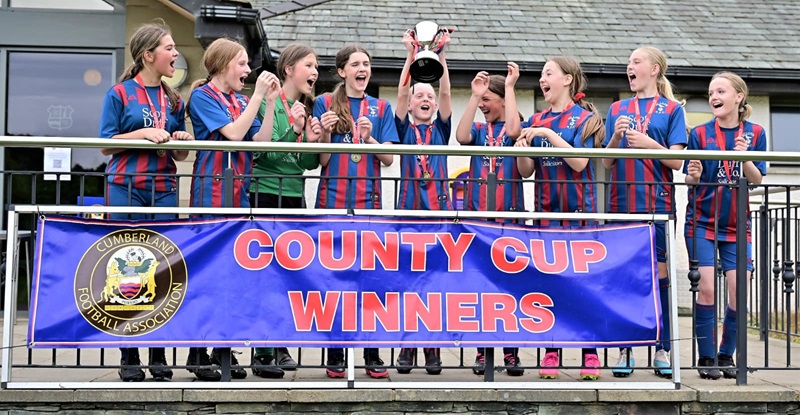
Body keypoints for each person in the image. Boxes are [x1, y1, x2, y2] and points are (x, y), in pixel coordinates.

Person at [98, 20, 193, 383]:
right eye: (169, 48)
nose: (175, 53)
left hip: (163, 187)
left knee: (161, 269)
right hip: (124, 186)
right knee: (126, 267)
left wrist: (181, 140)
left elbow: (180, 155)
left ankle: (158, 353)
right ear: (148, 55)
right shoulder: (119, 93)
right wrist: (142, 133)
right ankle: (129, 354)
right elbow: (105, 144)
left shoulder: (174, 98)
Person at [187, 37, 281, 381]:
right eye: (241, 63)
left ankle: (222, 350)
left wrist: (269, 102)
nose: (247, 70)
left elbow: (260, 142)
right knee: (208, 274)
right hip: (211, 194)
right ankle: (198, 353)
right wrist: (256, 97)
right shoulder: (203, 96)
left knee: (232, 275)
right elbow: (234, 134)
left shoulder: (241, 99)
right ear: (223, 65)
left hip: (238, 193)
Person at [506, 57, 605, 380]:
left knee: (582, 286)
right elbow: (526, 171)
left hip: (579, 215)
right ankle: (552, 352)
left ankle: (590, 353)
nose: (542, 79)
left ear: (567, 79)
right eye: (541, 75)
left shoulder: (585, 118)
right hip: (547, 214)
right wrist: (523, 148)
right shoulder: (536, 119)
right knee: (550, 285)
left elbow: (579, 163)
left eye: (548, 73)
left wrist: (547, 134)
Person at [313, 45, 399, 378]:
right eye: (356, 64)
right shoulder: (324, 102)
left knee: (369, 280)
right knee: (333, 280)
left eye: (366, 64)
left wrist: (369, 138)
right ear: (342, 71)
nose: (363, 69)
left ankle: (371, 354)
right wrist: (325, 132)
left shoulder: (381, 107)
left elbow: (389, 159)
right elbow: (321, 160)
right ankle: (335, 354)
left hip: (369, 204)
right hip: (332, 202)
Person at [602, 46, 688, 378]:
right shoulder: (617, 108)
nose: (629, 66)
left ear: (654, 69)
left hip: (657, 203)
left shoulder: (672, 109)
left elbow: (677, 161)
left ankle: (662, 349)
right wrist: (616, 137)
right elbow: (606, 161)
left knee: (660, 276)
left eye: (636, 61)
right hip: (621, 203)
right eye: (628, 62)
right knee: (624, 275)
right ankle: (625, 348)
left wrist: (648, 143)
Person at [684, 72, 766, 380]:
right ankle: (706, 358)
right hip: (701, 222)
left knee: (739, 292)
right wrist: (693, 176)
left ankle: (725, 355)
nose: (713, 97)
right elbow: (690, 179)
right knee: (706, 290)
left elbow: (756, 179)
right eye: (710, 93)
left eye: (720, 91)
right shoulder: (700, 133)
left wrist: (744, 159)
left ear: (738, 97)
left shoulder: (756, 132)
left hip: (736, 225)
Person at [249, 43, 323, 378]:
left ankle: (280, 344)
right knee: (266, 274)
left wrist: (314, 139)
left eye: (317, 66)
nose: (315, 72)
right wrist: (294, 130)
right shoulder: (271, 101)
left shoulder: (305, 107)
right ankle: (262, 351)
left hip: (294, 196)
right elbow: (266, 154)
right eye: (309, 65)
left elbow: (305, 164)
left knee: (288, 274)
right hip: (266, 193)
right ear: (289, 69)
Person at [455, 67, 525, 377]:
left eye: (487, 99)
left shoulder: (517, 127)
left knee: (509, 287)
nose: (483, 105)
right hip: (479, 220)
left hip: (509, 219)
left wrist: (510, 87)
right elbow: (461, 137)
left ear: (503, 100)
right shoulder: (480, 130)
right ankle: (483, 352)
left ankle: (511, 352)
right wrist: (474, 96)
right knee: (481, 286)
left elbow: (514, 132)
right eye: (481, 100)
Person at [393, 29, 452, 375]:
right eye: (420, 95)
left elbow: (445, 91)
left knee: (434, 285)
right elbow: (401, 91)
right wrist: (410, 55)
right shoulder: (403, 130)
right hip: (409, 215)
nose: (426, 98)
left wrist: (440, 55)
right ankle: (407, 345)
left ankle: (432, 348)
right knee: (408, 283)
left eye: (429, 95)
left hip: (438, 217)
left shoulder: (441, 131)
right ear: (412, 104)